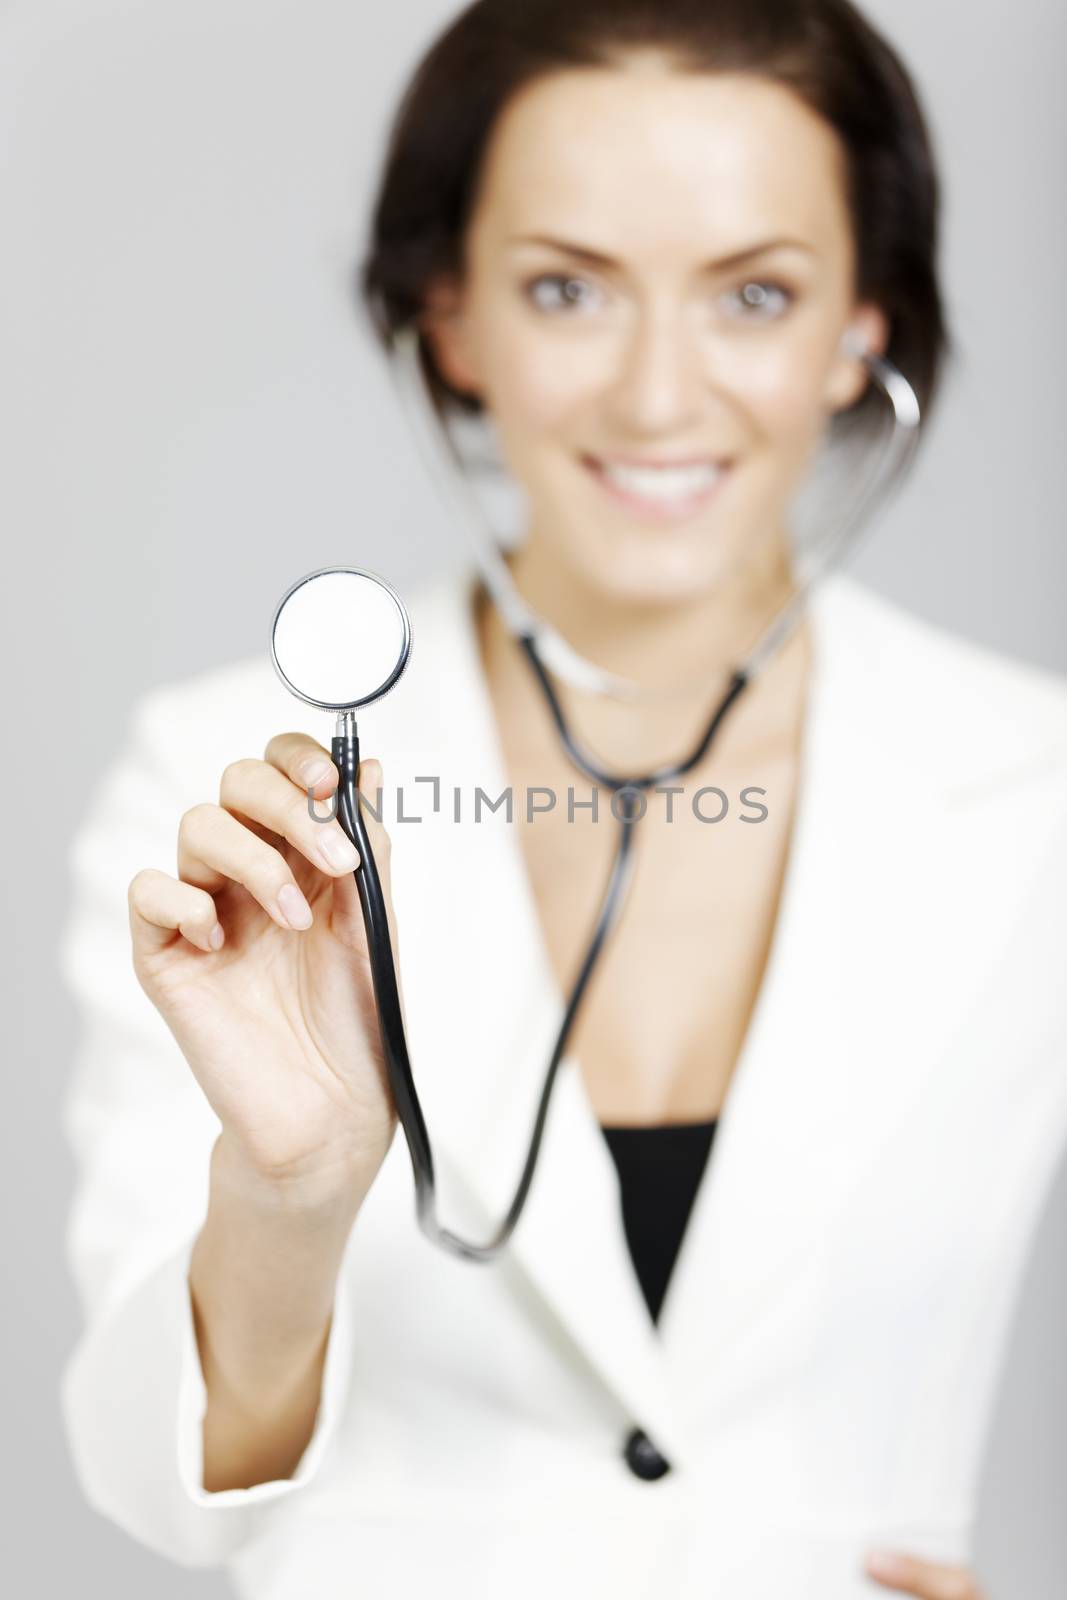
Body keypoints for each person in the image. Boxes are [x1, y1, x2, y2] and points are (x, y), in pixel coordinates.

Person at [59, 2, 1067, 1596]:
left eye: (755, 292)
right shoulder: (227, 787)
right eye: (567, 288)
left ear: (860, 328)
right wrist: (293, 1194)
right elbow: (177, 1488)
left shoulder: (1038, 796)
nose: (660, 394)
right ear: (449, 323)